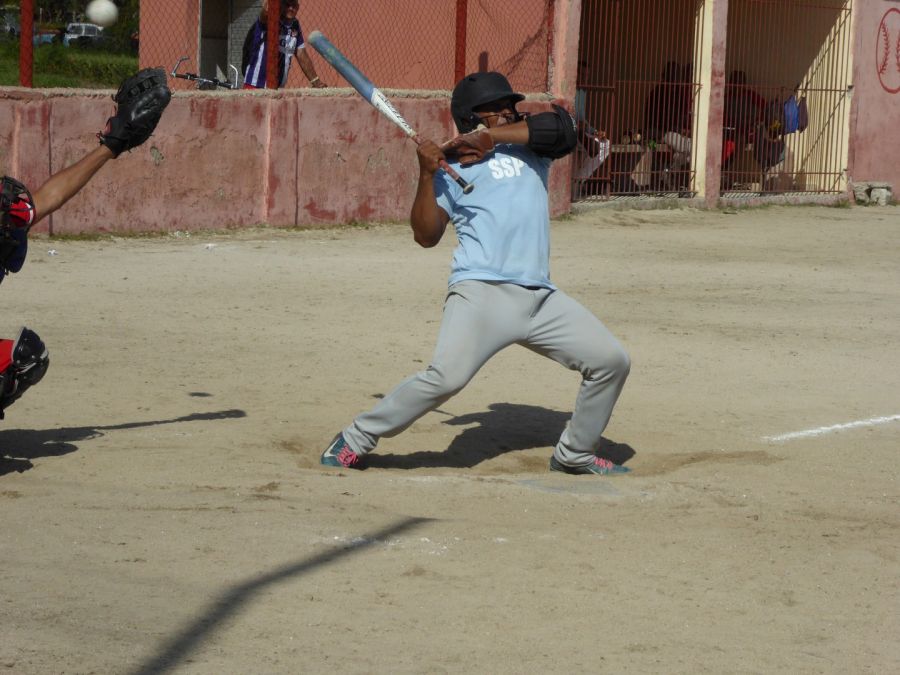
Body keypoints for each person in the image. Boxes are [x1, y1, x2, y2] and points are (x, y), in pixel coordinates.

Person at [320, 72, 632, 476]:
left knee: (611, 360)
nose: (510, 111)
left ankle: (575, 452)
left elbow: (565, 127)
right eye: (498, 107)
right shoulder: (452, 165)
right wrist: (427, 173)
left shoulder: (532, 151)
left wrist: (494, 137)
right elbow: (425, 235)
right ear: (471, 117)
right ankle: (356, 438)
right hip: (482, 293)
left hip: (541, 297)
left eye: (511, 106)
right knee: (444, 379)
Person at [0, 69, 171, 420]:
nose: (13, 225)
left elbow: (48, 197)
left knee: (25, 358)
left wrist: (110, 147)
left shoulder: (11, 220)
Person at [242, 0, 326, 90]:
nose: (291, 8)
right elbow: (264, 15)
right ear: (281, 5)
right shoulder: (271, 19)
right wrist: (267, 7)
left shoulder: (295, 25)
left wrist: (316, 81)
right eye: (287, 5)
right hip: (256, 85)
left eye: (293, 6)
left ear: (298, 7)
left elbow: (301, 54)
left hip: (277, 88)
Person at [572, 59, 610, 196]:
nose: (584, 78)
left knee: (605, 144)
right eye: (582, 75)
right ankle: (578, 180)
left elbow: (582, 119)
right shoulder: (571, 90)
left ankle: (579, 179)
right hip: (570, 130)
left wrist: (595, 131)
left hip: (581, 131)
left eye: (586, 76)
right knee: (596, 147)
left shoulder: (582, 92)